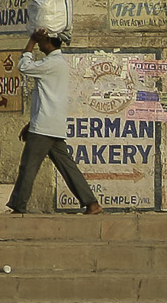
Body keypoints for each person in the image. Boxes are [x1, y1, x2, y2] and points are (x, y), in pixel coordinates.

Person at [7, 30, 102, 214]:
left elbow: (24, 66)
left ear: (48, 42)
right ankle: (91, 203)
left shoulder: (51, 63)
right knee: (67, 166)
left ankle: (19, 205)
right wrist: (31, 123)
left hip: (44, 126)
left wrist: (32, 41)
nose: (40, 44)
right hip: (49, 124)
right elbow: (45, 98)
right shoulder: (57, 63)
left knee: (28, 166)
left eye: (42, 40)